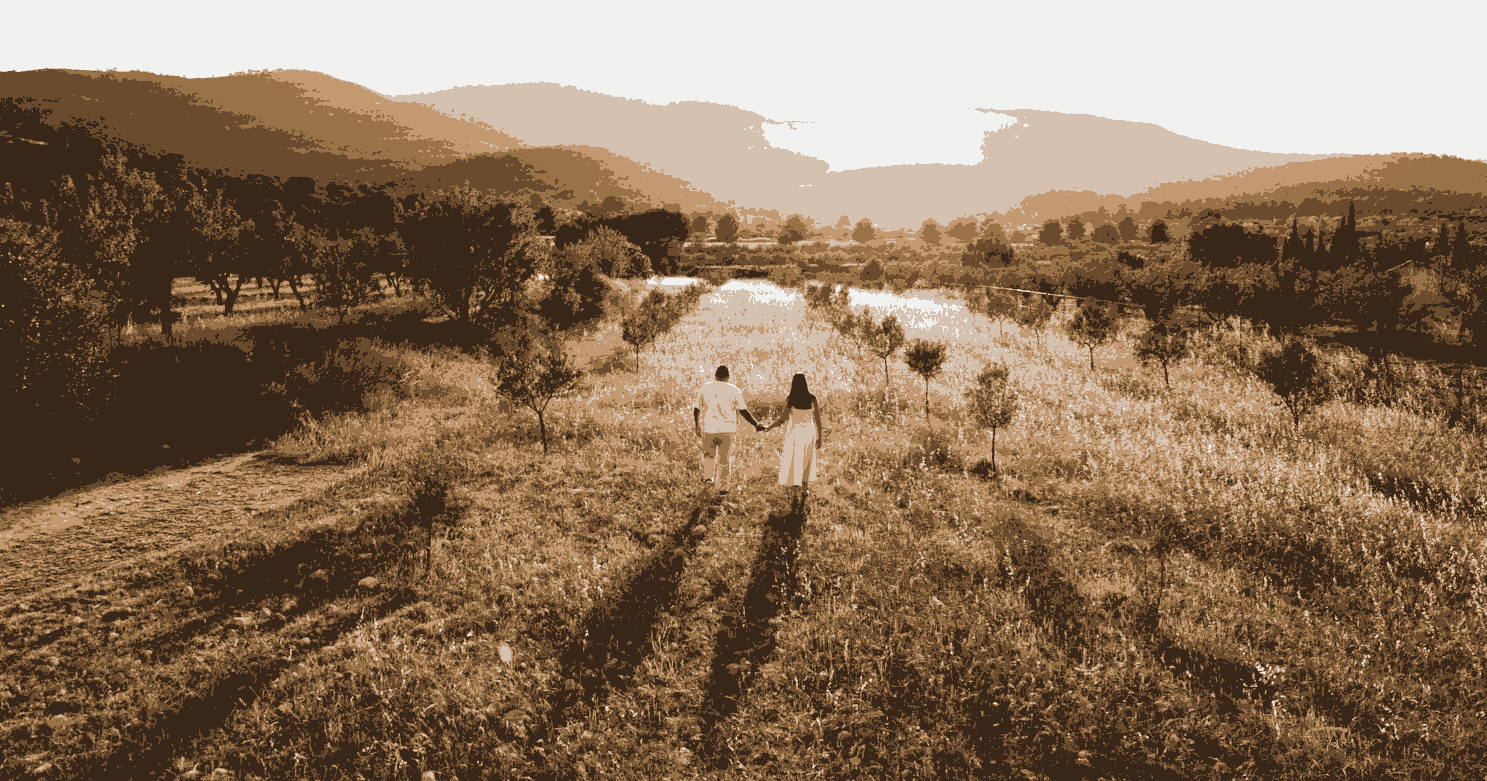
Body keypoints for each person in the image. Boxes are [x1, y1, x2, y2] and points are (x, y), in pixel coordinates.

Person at [694, 365, 765, 494]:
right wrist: (756, 424)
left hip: (709, 428)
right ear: (728, 377)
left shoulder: (705, 388)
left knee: (708, 455)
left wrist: (697, 425)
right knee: (724, 459)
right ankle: (723, 488)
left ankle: (709, 479)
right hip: (728, 429)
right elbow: (743, 411)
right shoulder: (734, 390)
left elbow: (696, 408)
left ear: (715, 376)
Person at [765, 373, 824, 514]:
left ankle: (796, 495)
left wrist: (769, 427)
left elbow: (782, 419)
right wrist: (820, 437)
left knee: (795, 462)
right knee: (807, 461)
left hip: (795, 433)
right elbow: (818, 420)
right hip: (809, 432)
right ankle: (805, 489)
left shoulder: (791, 399)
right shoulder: (812, 398)